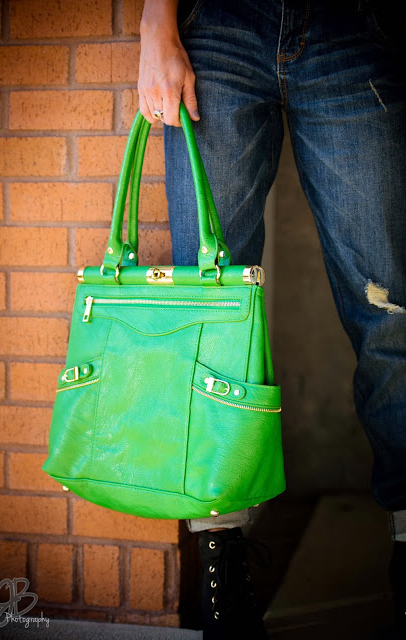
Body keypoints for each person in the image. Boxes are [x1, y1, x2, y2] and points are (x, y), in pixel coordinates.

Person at [138, 0, 406, 637]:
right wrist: (155, 24)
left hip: (355, 27)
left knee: (392, 312)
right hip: (218, 27)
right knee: (211, 315)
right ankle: (221, 569)